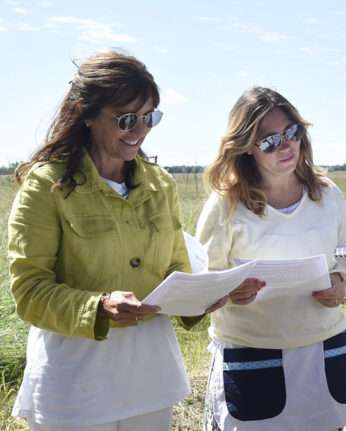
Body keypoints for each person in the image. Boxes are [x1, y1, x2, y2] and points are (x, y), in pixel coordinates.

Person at [8, 50, 197, 430]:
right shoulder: (46, 184)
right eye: (126, 118)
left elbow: (177, 269)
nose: (139, 130)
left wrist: (205, 297)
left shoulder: (161, 185)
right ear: (87, 113)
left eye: (149, 117)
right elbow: (29, 291)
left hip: (150, 380)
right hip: (76, 388)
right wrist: (98, 307)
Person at [195, 86, 346, 431]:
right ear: (246, 149)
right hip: (252, 354)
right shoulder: (225, 205)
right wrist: (229, 291)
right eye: (269, 140)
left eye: (291, 132)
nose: (285, 145)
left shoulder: (329, 195)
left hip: (324, 347)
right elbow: (204, 282)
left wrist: (341, 283)